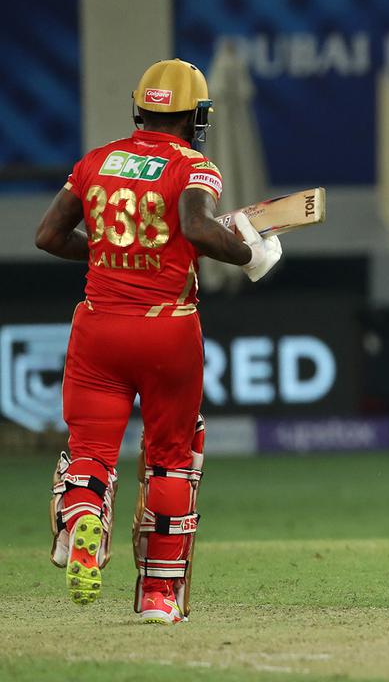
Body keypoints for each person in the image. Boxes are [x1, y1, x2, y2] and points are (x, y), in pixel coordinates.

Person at [35, 59, 282, 624]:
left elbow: (49, 235)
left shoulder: (95, 162)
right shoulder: (196, 165)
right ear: (194, 116)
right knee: (172, 460)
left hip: (99, 327)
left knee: (91, 452)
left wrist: (103, 253)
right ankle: (158, 597)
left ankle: (82, 523)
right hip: (167, 327)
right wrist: (251, 254)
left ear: (140, 111)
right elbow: (196, 228)